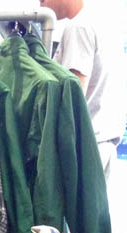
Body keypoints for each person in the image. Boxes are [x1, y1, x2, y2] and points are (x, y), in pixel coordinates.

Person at [42, 0, 127, 178]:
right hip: (102, 142)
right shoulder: (102, 22)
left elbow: (73, 95)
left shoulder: (78, 27)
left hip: (85, 147)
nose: (41, 6)